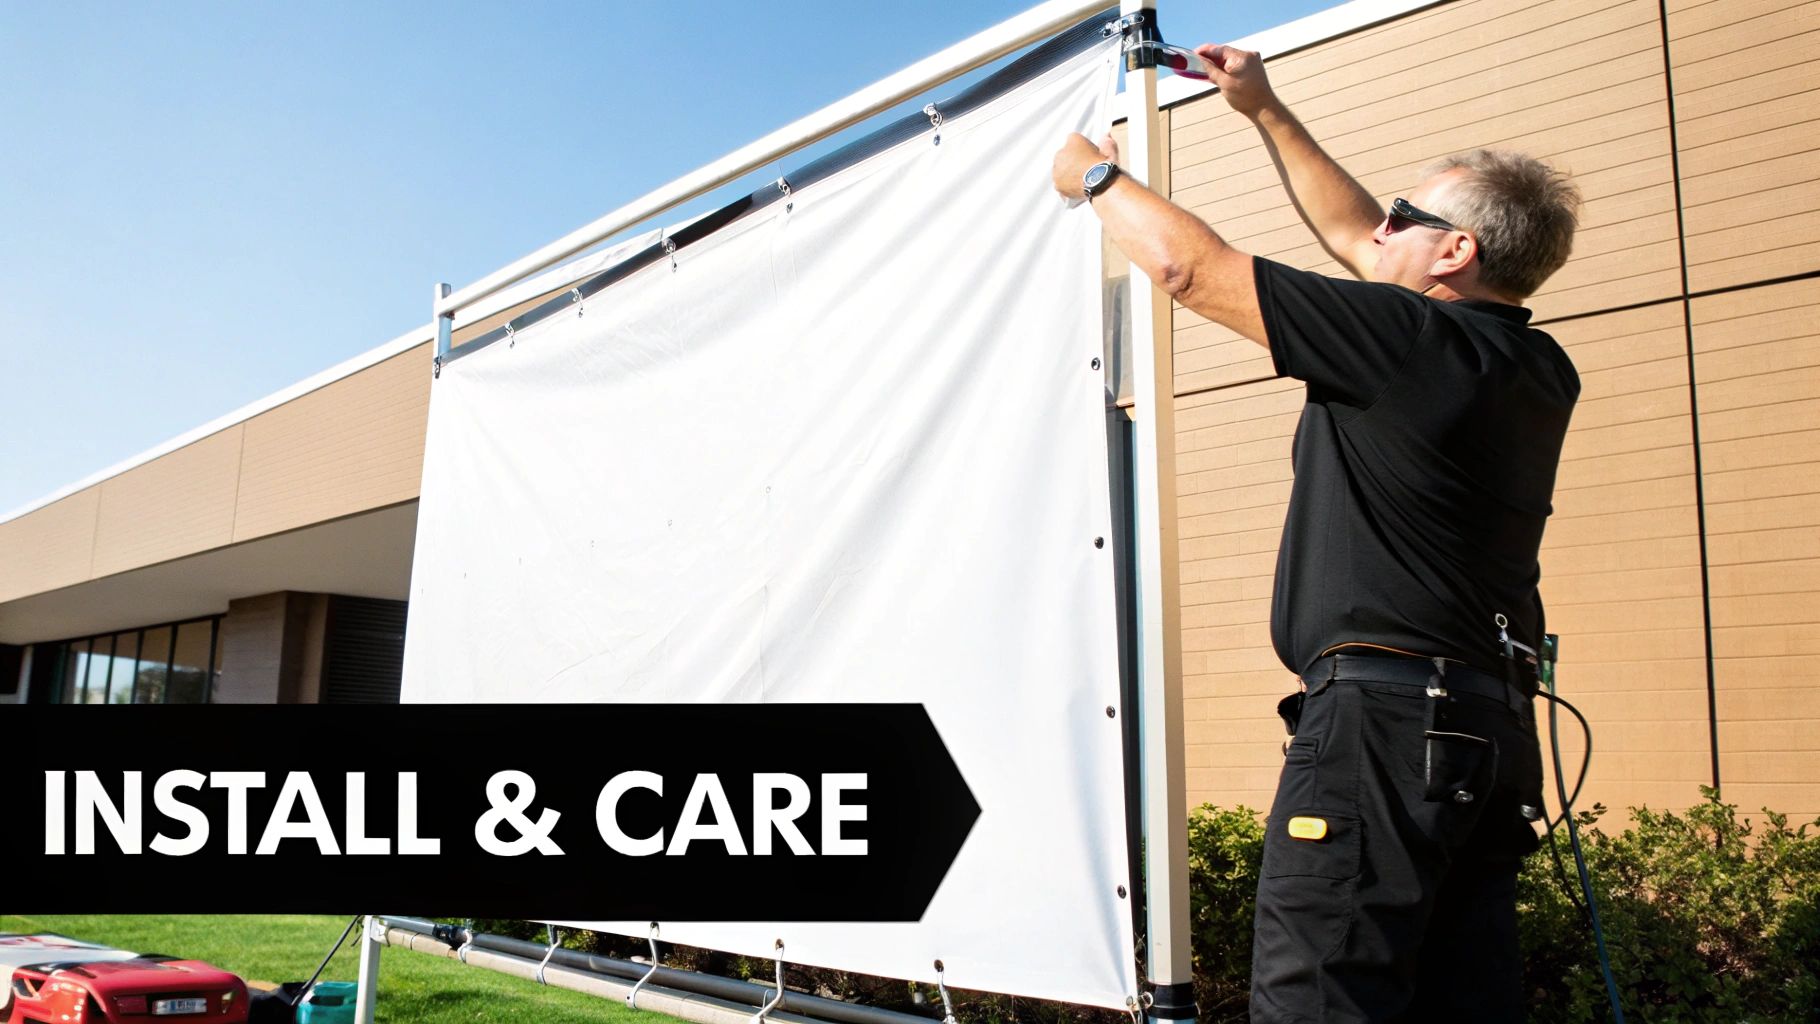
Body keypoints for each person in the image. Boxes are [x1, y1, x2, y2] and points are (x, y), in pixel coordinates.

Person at [1053, 43, 1584, 1023]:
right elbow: (1354, 235)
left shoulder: (1405, 341)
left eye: (1405, 218)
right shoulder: (1530, 365)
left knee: (1321, 999)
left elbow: (1185, 266)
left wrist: (1088, 174)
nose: (1377, 227)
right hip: (1485, 734)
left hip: (1384, 730)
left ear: (1453, 253)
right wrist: (1264, 108)